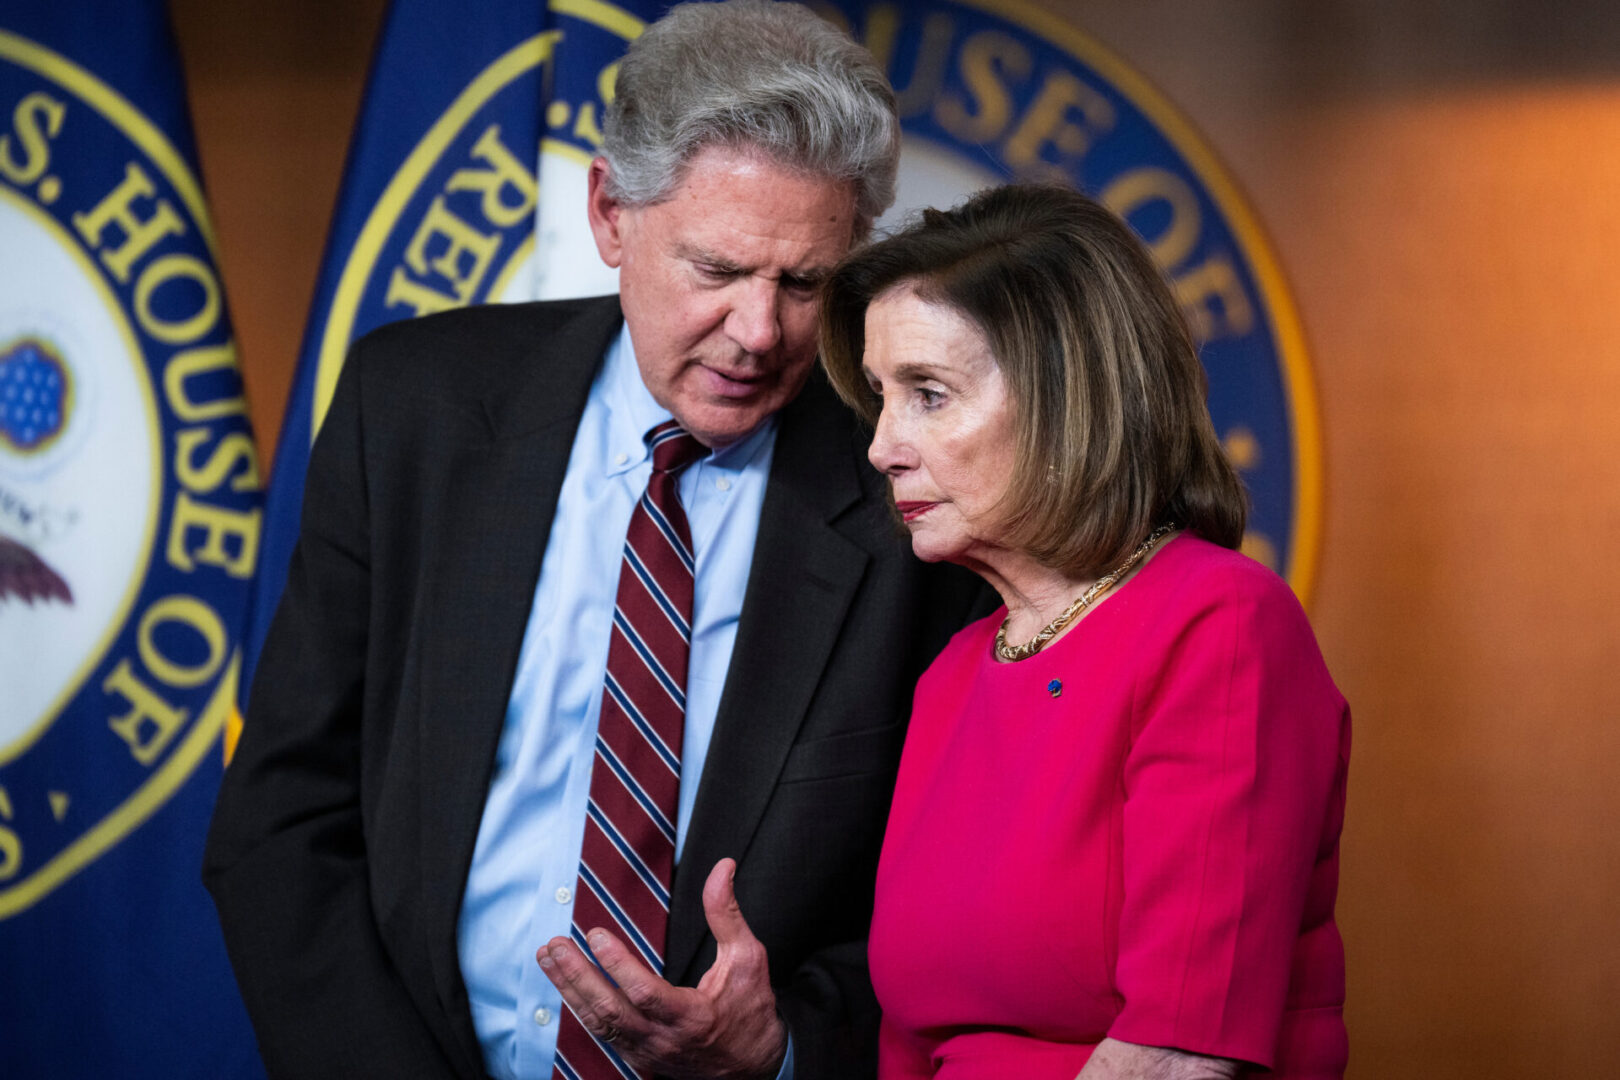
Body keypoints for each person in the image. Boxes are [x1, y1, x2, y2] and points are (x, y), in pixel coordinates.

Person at [202, 4, 990, 1079]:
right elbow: (282, 820)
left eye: (805, 284)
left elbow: (962, 894)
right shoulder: (415, 409)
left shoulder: (913, 490)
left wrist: (784, 1045)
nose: (759, 333)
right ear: (611, 214)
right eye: (715, 271)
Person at [818, 184, 1351, 1079]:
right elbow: (909, 1043)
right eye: (882, 397)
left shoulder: (1219, 626)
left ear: (1070, 398)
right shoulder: (952, 671)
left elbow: (1177, 1057)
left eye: (929, 395)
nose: (882, 447)